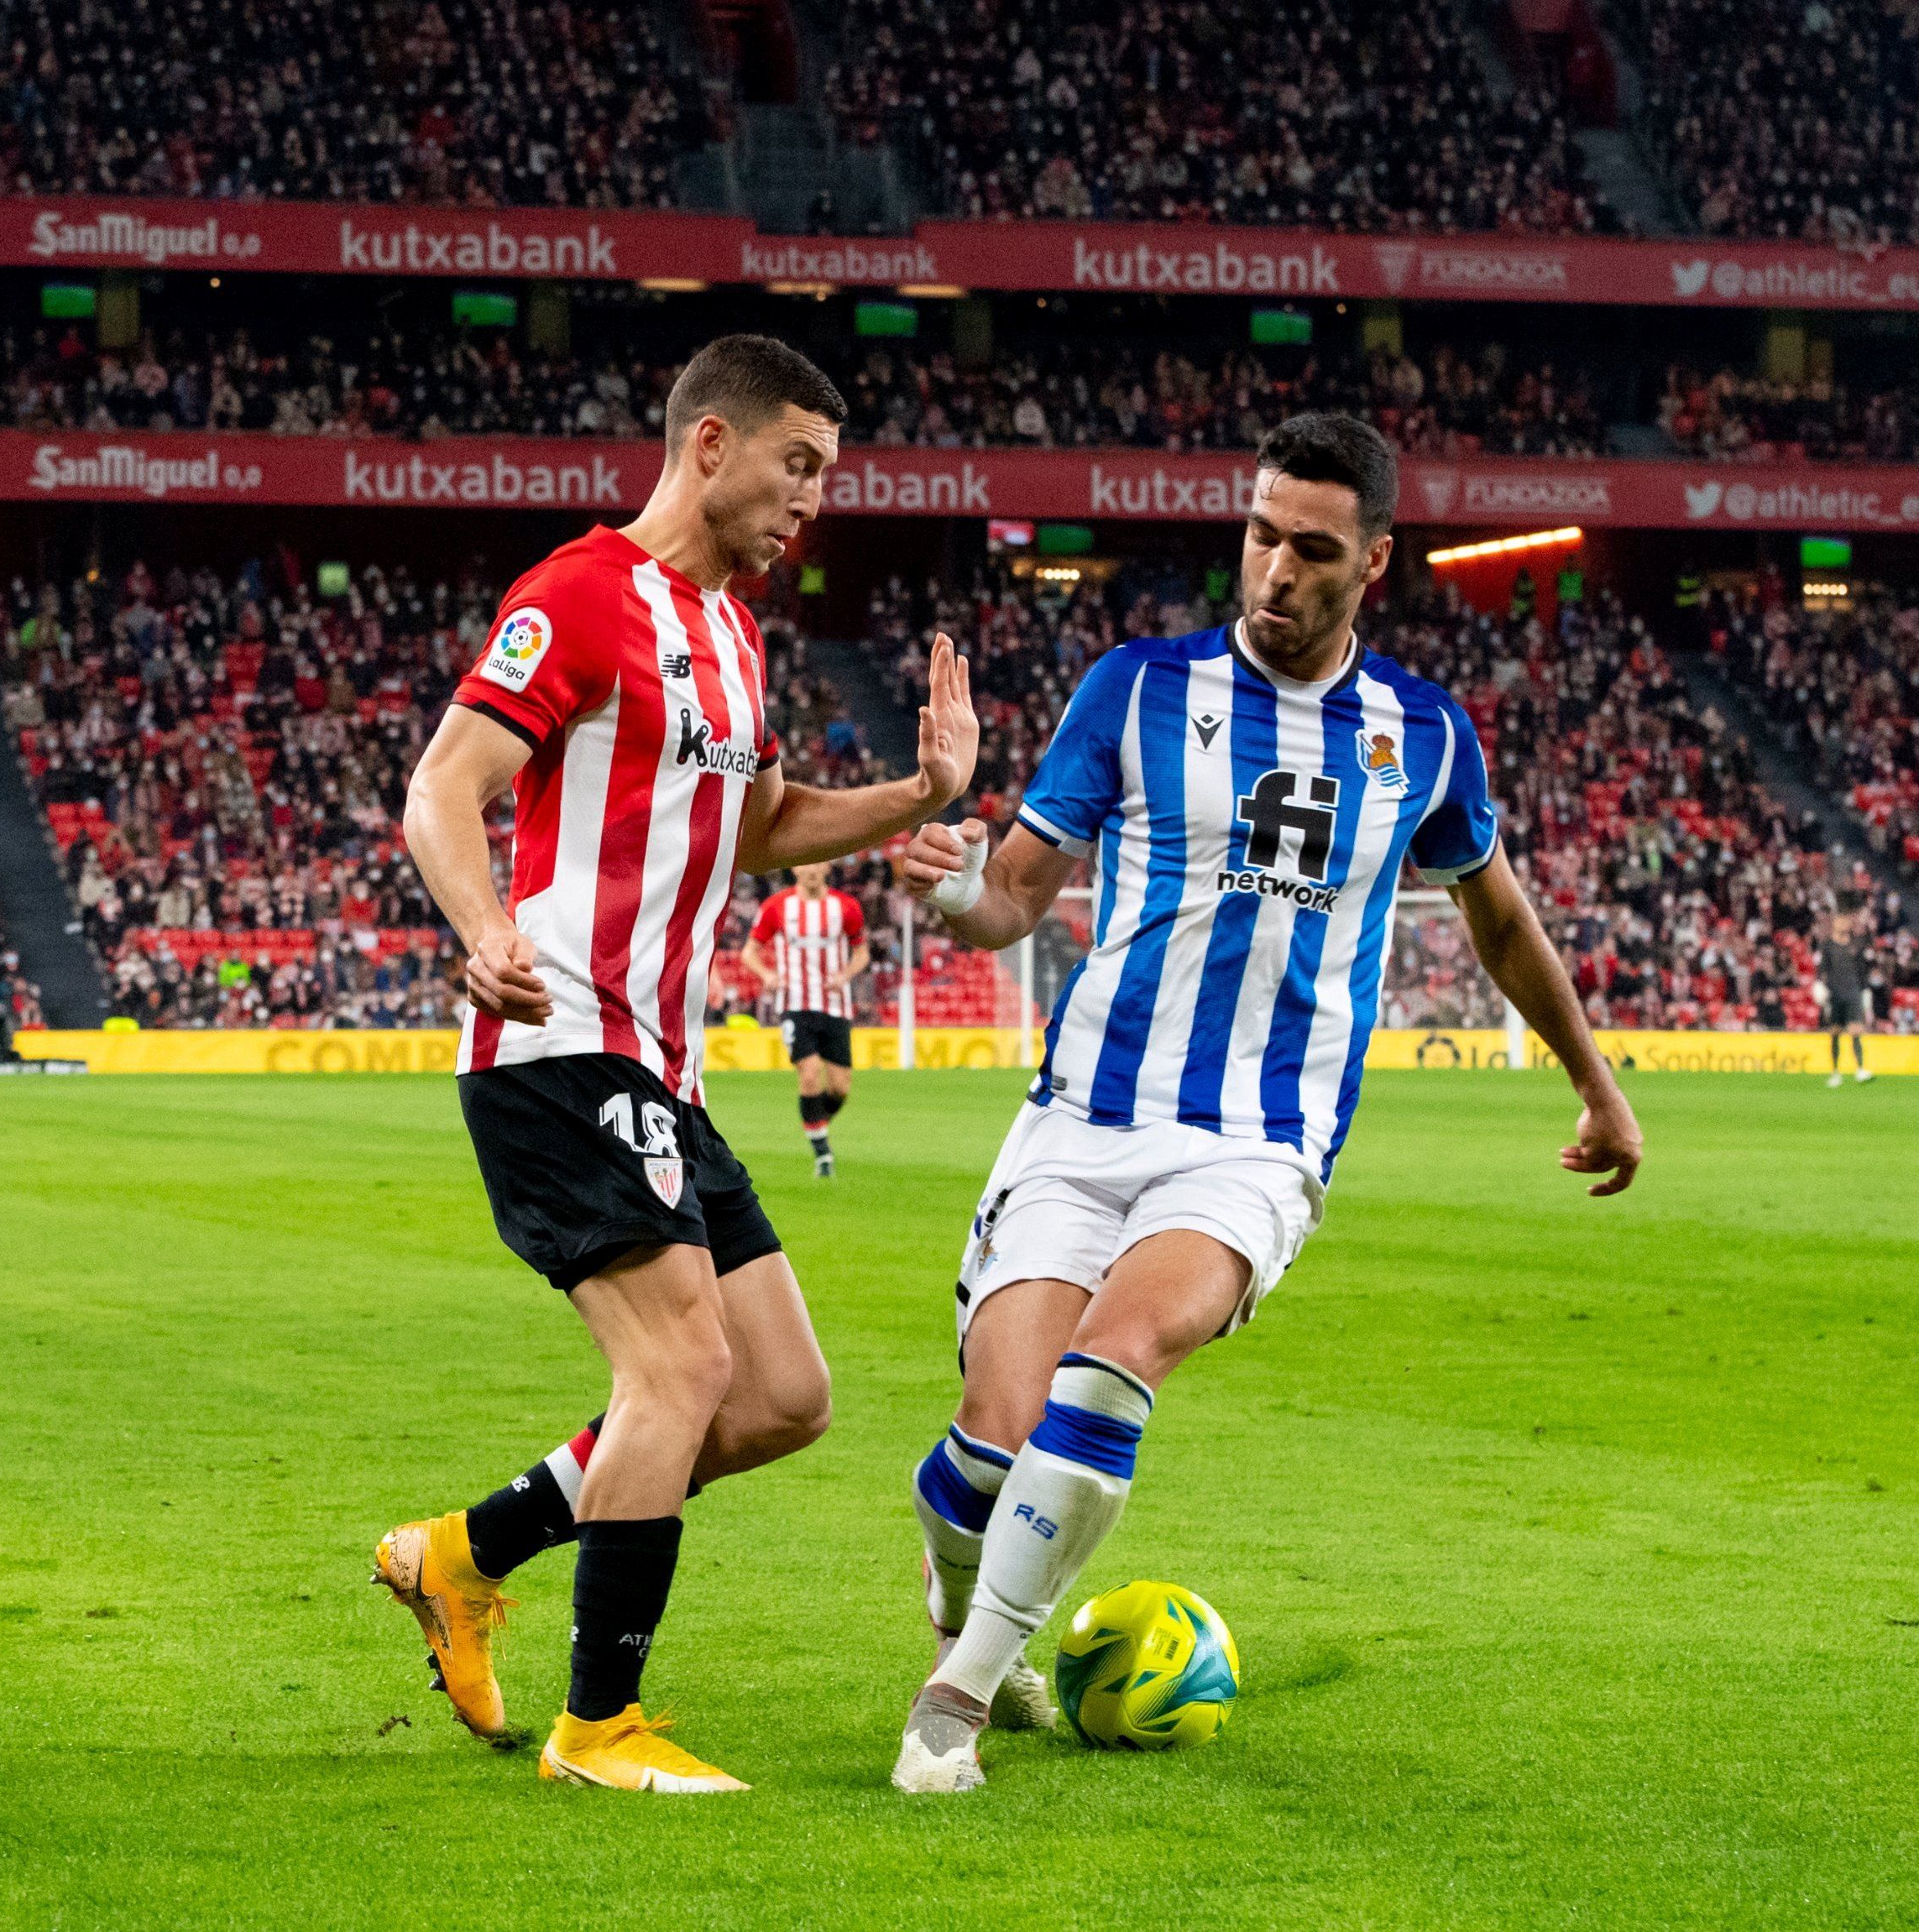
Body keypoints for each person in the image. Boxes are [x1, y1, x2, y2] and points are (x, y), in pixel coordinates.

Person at [886, 413, 1645, 1794]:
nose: (1274, 571)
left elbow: (1498, 924)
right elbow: (1008, 898)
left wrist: (1596, 1085)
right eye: (1258, 536)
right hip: (1079, 1119)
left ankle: (954, 1695)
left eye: (1309, 548)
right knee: (989, 1448)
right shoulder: (1130, 689)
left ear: (1372, 561)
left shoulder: (1420, 734)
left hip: (1253, 1141)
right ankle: (960, 1585)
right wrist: (945, 882)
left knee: (1116, 1360)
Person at [377, 334, 980, 1794]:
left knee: (777, 1396)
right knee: (679, 1362)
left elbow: (761, 825)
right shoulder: (577, 596)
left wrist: (915, 797)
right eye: (796, 467)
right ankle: (599, 1725)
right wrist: (478, 927)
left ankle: (460, 1555)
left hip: (662, 1065)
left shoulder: (735, 637)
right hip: (555, 1036)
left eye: (823, 478)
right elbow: (442, 787)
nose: (810, 503)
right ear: (707, 445)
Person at [743, 862, 870, 1176]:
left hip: (835, 1005)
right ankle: (823, 1155)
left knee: (840, 1087)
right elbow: (750, 952)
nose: (811, 870)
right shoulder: (777, 906)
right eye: (805, 865)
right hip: (795, 1003)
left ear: (827, 867)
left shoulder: (846, 907)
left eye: (817, 864)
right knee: (810, 1073)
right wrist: (767, 974)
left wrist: (846, 975)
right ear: (795, 869)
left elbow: (862, 952)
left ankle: (814, 1123)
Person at [1821, 909, 1874, 1085]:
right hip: (1835, 995)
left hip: (1853, 993)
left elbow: (1862, 971)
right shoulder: (1828, 946)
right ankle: (1835, 1072)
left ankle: (1860, 1069)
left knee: (1856, 1031)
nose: (1844, 923)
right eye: (1841, 920)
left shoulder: (1856, 945)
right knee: (1835, 1033)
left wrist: (1865, 991)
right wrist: (1820, 987)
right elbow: (1823, 970)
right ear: (1835, 923)